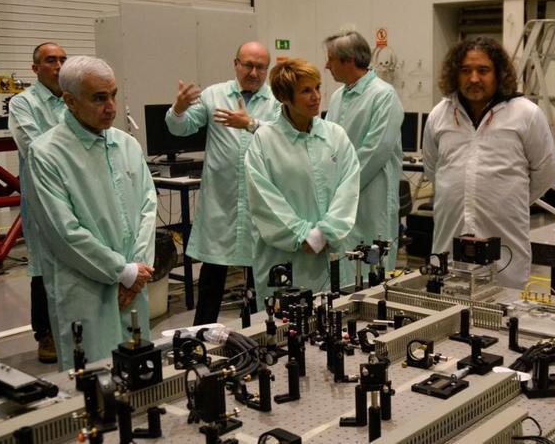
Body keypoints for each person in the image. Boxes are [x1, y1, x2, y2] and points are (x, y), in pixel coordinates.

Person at [27, 56, 157, 370]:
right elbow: (64, 233)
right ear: (70, 101)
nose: (111, 106)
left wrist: (136, 273)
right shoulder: (47, 154)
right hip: (85, 289)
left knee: (140, 376)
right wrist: (120, 272)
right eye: (99, 98)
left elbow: (148, 207)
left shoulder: (126, 145)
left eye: (113, 94)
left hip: (132, 285)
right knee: (93, 386)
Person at [422, 36, 555, 288]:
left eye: (483, 70)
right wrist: (462, 194)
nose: (474, 78)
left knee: (505, 313)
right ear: (455, 74)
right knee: (448, 310)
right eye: (465, 70)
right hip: (449, 238)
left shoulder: (525, 114)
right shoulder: (439, 115)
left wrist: (509, 200)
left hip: (504, 238)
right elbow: (433, 169)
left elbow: (546, 172)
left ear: (499, 73)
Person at [166, 41, 281, 325]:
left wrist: (251, 123)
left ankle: (263, 335)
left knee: (261, 280)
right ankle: (200, 339)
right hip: (222, 203)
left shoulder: (277, 100)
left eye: (260, 67)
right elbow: (181, 128)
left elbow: (285, 138)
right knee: (211, 280)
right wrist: (179, 109)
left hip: (261, 202)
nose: (253, 72)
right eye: (248, 65)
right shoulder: (214, 94)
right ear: (236, 64)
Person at [245, 59, 359, 306]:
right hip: (286, 254)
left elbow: (349, 187)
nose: (316, 96)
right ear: (285, 97)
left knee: (334, 320)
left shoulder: (335, 135)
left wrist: (325, 232)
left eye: (317, 87)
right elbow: (264, 198)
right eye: (306, 91)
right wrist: (302, 235)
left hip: (331, 248)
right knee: (283, 329)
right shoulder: (265, 141)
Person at [323, 31, 403, 285]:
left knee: (372, 267)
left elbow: (376, 150)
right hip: (340, 197)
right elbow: (326, 142)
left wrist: (343, 187)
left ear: (348, 60)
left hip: (371, 196)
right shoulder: (337, 97)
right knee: (344, 266)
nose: (326, 65)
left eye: (331, 59)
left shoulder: (383, 95)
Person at [7, 42, 68, 364]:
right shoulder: (22, 103)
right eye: (50, 60)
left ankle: (74, 327)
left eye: (62, 59)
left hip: (77, 194)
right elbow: (34, 148)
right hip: (43, 196)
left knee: (75, 258)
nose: (58, 65)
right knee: (43, 264)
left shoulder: (74, 99)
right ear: (35, 69)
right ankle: (45, 333)